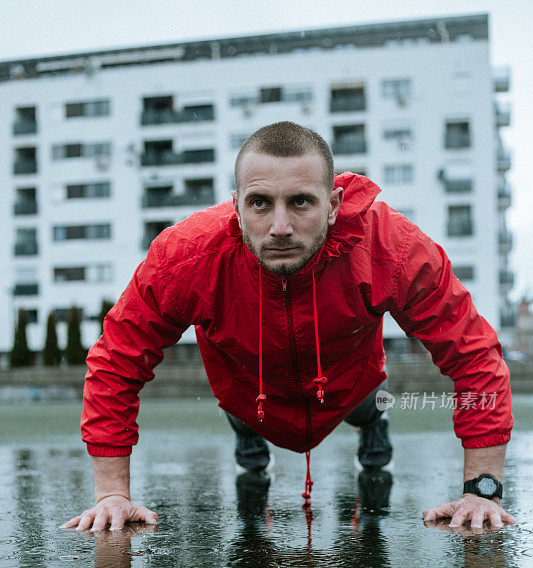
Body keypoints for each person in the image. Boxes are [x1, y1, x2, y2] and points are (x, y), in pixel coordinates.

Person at [62, 122, 516, 533]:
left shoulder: (390, 248)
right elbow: (116, 361)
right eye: (260, 203)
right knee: (246, 411)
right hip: (247, 387)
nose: (280, 227)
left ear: (334, 203)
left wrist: (483, 491)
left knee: (361, 404)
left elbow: (473, 354)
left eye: (300, 202)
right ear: (236, 207)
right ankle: (246, 430)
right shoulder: (186, 258)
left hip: (347, 384)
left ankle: (372, 419)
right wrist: (111, 494)